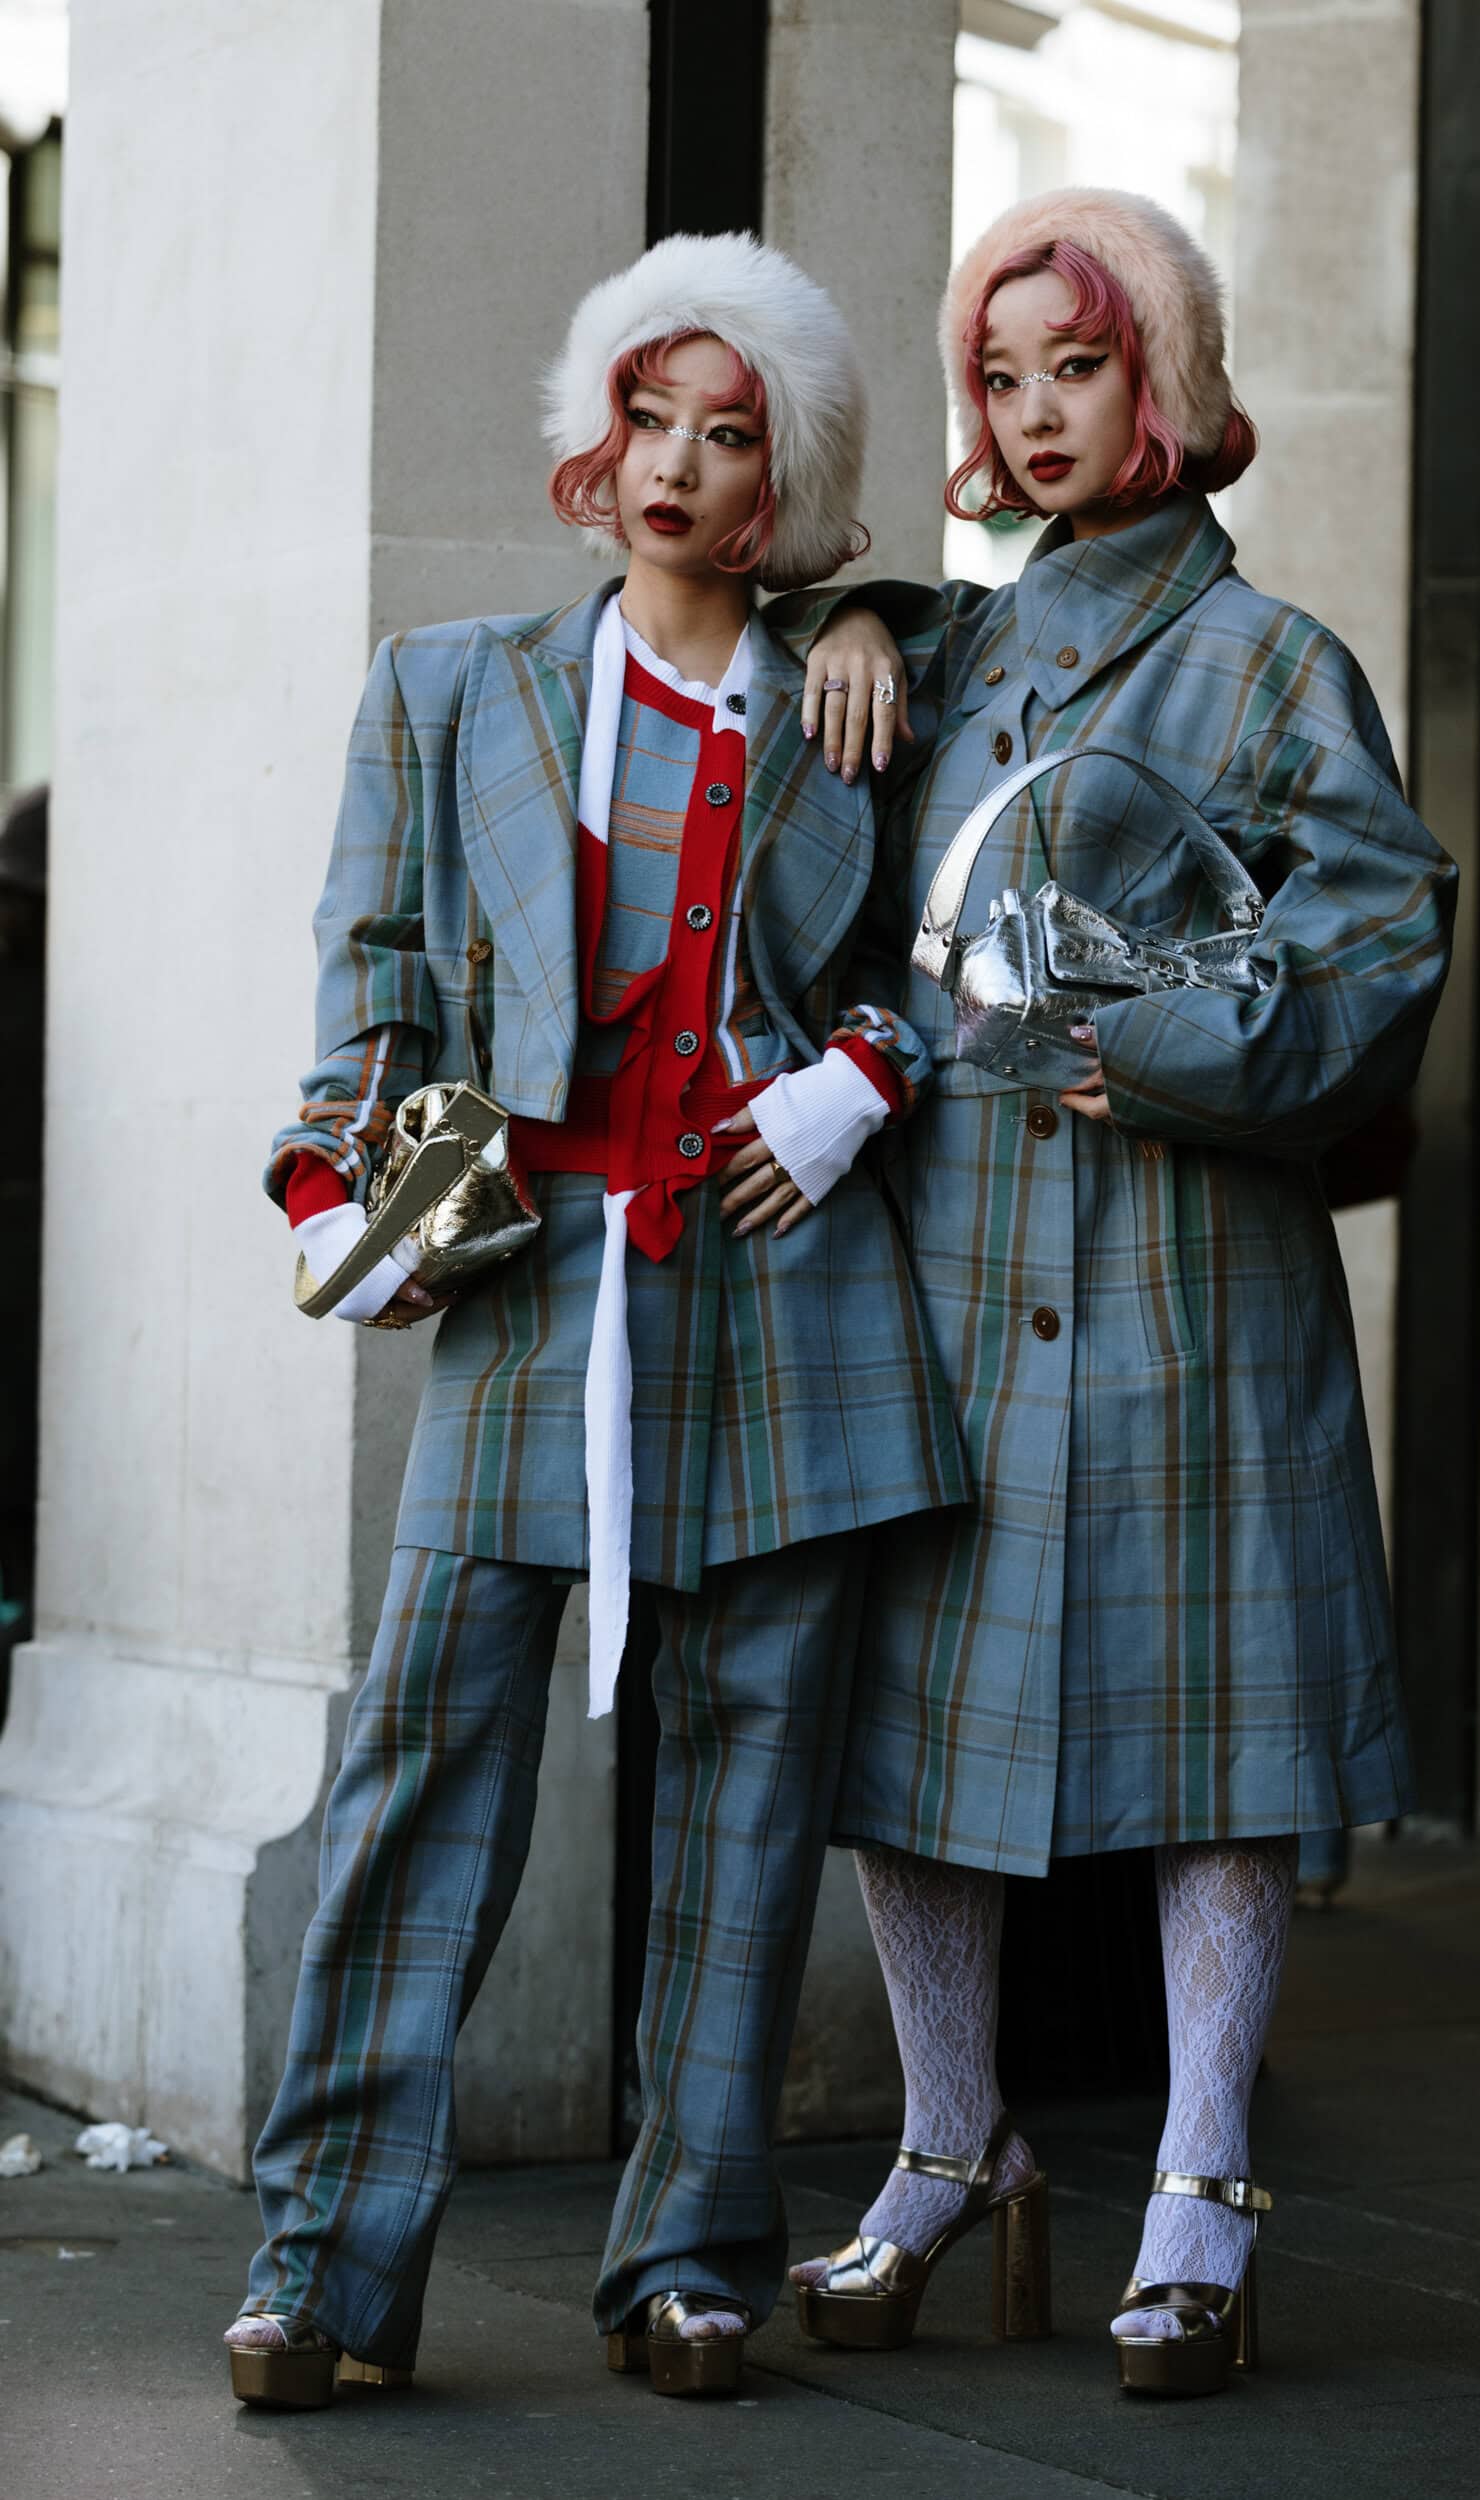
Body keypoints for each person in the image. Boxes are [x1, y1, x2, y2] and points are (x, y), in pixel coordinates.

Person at [223, 231, 966, 2411]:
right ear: (593, 443)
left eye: (733, 436)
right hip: (536, 1285)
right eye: (650, 415)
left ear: (785, 492)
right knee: (414, 1775)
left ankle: (695, 2258)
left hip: (789, 1292)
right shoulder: (449, 687)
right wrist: (328, 1183)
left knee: (747, 1800)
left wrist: (864, 1075)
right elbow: (371, 976)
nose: (679, 461)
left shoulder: (866, 696)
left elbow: (982, 880)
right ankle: (325, 2273)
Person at [779, 188, 1458, 2396]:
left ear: (1158, 377)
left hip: (1194, 1271)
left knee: (1221, 1737)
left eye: (1080, 364)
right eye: (1002, 375)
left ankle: (1200, 2177)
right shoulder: (946, 652)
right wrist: (846, 625)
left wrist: (1148, 1040)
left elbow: (1378, 947)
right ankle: (948, 2142)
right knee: (916, 1730)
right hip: (953, 1271)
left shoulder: (1276, 663)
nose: (1039, 411)